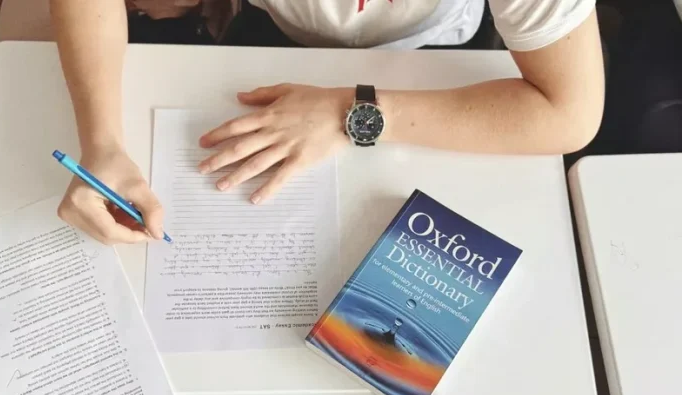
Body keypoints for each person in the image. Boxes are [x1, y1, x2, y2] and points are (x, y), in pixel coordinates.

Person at [49, 0, 605, 245]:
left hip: (435, 57)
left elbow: (569, 113)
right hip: (276, 36)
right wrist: (102, 143)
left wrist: (351, 113)